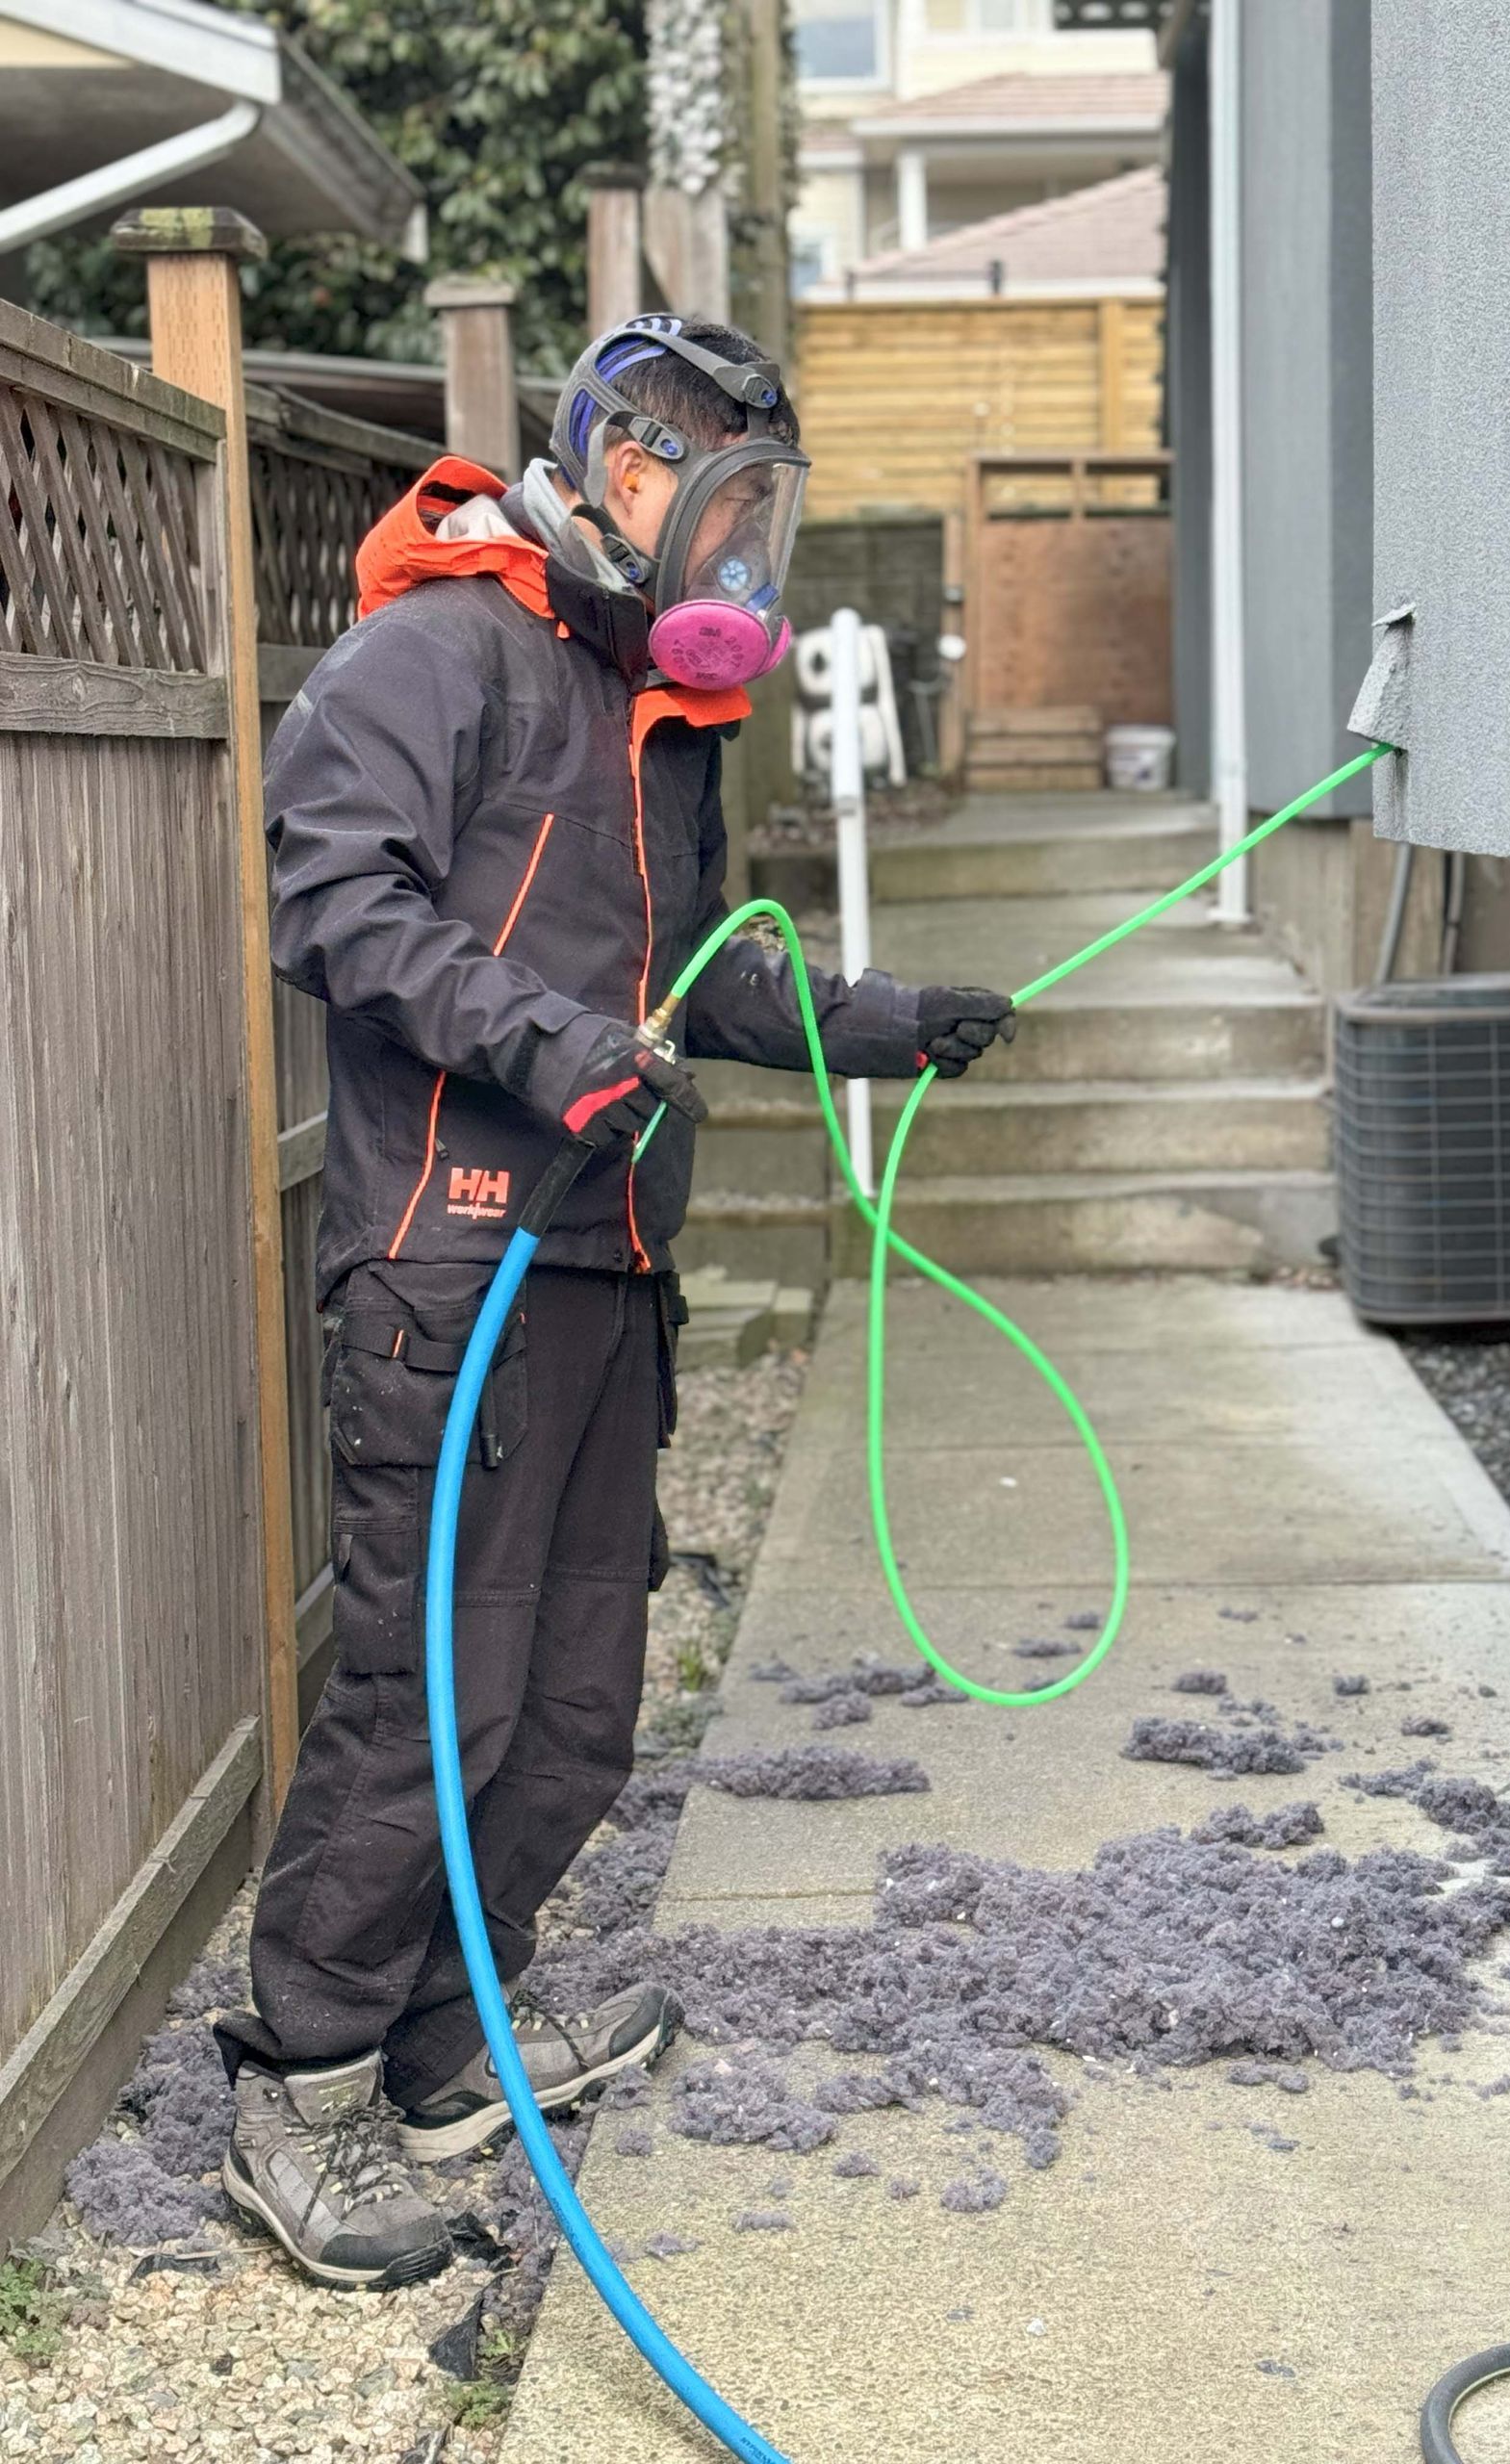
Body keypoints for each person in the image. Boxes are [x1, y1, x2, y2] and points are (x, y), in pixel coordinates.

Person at [214, 317, 1015, 2289]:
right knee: (437, 1697)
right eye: (727, 512)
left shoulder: (646, 703)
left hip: (606, 1265)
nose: (743, 565)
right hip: (453, 1259)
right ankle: (294, 2089)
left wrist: (876, 1023)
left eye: (771, 526)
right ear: (622, 463)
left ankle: (442, 2036)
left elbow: (699, 971)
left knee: (574, 1706)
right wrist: (539, 1041)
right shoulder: (440, 650)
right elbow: (331, 891)